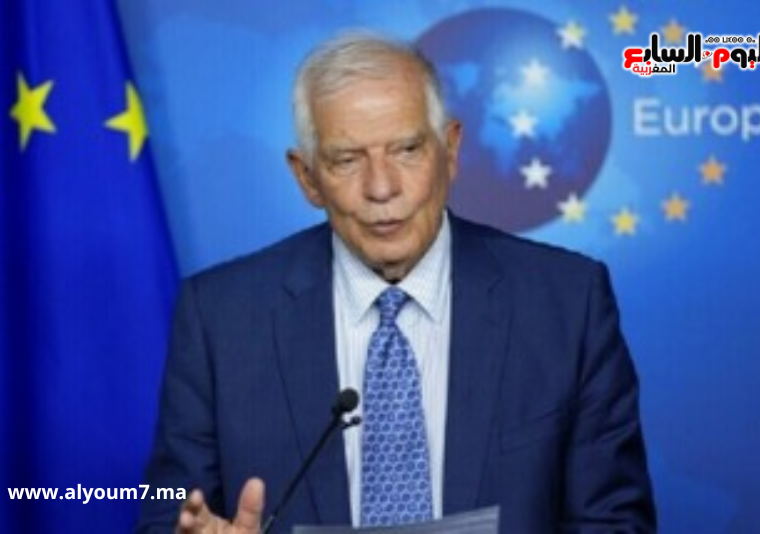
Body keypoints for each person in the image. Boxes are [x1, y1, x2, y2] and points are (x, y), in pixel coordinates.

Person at [137, 31, 656, 533]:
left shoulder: (567, 303)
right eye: (346, 160)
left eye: (407, 150)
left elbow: (615, 522)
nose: (381, 187)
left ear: (450, 150)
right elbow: (168, 514)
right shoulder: (220, 318)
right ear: (307, 177)